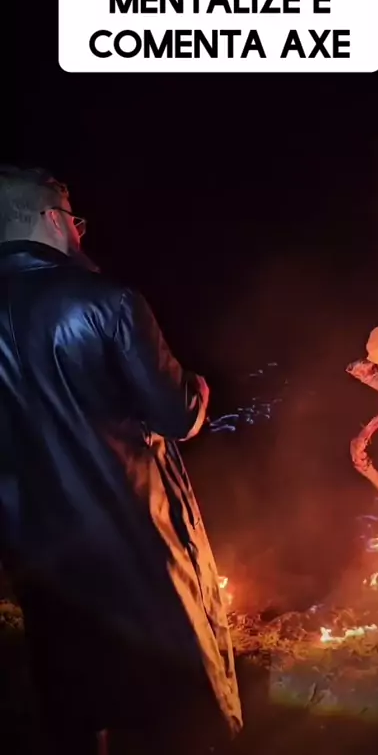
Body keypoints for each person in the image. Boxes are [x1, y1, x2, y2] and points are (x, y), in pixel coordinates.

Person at [0, 165, 242, 754]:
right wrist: (199, 388)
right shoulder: (107, 301)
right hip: (134, 542)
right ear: (53, 219)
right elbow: (178, 416)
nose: (78, 233)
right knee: (176, 702)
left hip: (36, 553)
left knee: (74, 701)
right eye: (74, 221)